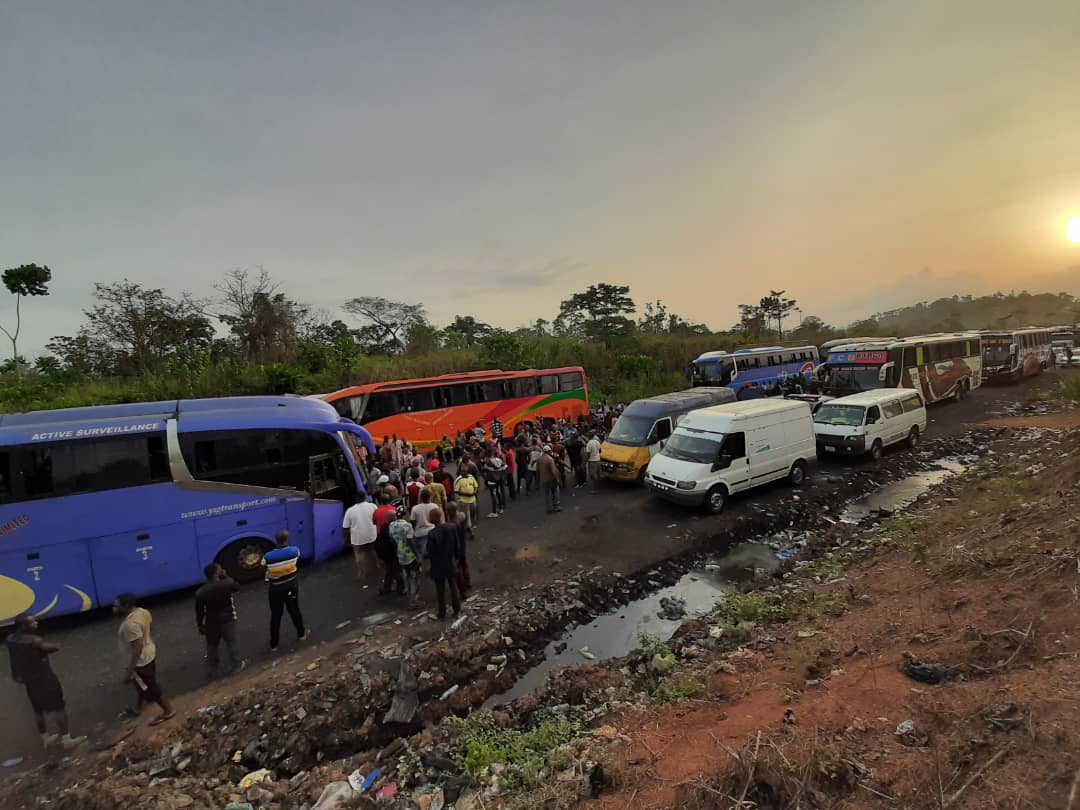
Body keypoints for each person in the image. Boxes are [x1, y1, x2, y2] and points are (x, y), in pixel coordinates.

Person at [6, 613, 85, 750]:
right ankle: (66, 740)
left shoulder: (11, 638)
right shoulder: (34, 640)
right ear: (24, 626)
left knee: (38, 709)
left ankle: (45, 738)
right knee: (59, 707)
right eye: (32, 623)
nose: (36, 623)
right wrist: (57, 645)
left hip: (29, 680)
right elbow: (50, 648)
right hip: (44, 678)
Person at [114, 593, 175, 725]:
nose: (114, 609)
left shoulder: (130, 625)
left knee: (150, 688)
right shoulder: (142, 612)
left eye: (116, 606)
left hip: (140, 663)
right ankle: (137, 708)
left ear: (125, 606)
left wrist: (129, 671)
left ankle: (168, 710)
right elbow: (149, 628)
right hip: (149, 653)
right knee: (142, 685)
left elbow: (137, 649)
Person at [194, 564, 246, 677]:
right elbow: (237, 587)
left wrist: (200, 625)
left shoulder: (201, 592)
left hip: (211, 621)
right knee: (231, 643)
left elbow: (200, 611)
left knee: (212, 646)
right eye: (220, 569)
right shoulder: (228, 583)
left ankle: (214, 669)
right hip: (228, 619)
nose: (222, 570)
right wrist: (226, 576)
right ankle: (237, 665)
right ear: (217, 573)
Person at [264, 530, 310, 651]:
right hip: (291, 587)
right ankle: (301, 634)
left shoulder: (268, 556)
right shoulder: (295, 551)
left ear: (276, 540)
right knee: (294, 610)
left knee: (276, 615)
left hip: (275, 589)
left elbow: (263, 565)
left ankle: (274, 644)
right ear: (286, 539)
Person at [424, 508, 461, 619]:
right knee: (453, 586)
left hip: (438, 565)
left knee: (440, 590)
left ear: (431, 519)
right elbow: (457, 545)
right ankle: (456, 609)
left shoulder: (432, 534)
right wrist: (457, 559)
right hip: (450, 562)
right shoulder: (451, 527)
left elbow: (430, 552)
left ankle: (442, 612)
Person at [343, 495, 378, 580]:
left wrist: (346, 539)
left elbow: (345, 527)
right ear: (365, 498)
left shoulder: (350, 511)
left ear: (356, 499)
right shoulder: (372, 506)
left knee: (359, 554)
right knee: (372, 550)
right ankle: (377, 566)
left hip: (358, 537)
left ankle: (361, 573)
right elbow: (377, 517)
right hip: (371, 534)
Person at [389, 514, 421, 607]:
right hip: (410, 555)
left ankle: (410, 597)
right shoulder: (408, 525)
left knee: (406, 576)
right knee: (415, 577)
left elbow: (391, 539)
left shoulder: (392, 525)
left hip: (400, 554)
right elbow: (410, 541)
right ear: (405, 515)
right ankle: (413, 601)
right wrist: (417, 555)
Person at [444, 501, 472, 596]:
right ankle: (468, 582)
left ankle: (463, 589)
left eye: (447, 510)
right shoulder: (462, 516)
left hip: (455, 546)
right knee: (464, 563)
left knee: (458, 567)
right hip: (462, 543)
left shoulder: (451, 523)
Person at [410, 488, 439, 560]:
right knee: (434, 553)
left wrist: (413, 532)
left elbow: (413, 522)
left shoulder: (415, 508)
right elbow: (437, 520)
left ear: (421, 497)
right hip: (432, 530)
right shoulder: (435, 506)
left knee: (420, 554)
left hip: (420, 533)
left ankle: (420, 566)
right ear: (430, 496)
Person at [454, 466, 480, 533]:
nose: (463, 473)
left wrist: (475, 491)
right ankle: (470, 529)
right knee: (467, 514)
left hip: (473, 499)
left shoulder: (471, 477)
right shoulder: (459, 480)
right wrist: (466, 494)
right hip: (464, 500)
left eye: (464, 471)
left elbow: (476, 485)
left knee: (473, 511)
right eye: (462, 471)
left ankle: (470, 524)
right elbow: (456, 491)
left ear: (467, 472)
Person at [537, 444, 562, 513]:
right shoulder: (550, 459)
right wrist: (557, 479)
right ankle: (556, 506)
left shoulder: (539, 459)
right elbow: (553, 471)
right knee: (556, 492)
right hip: (551, 479)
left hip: (544, 480)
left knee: (547, 494)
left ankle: (549, 508)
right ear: (548, 451)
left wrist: (538, 480)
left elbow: (537, 471)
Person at [482, 450, 507, 517]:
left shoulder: (487, 462)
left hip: (491, 480)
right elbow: (504, 467)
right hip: (499, 479)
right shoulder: (499, 460)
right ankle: (501, 508)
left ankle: (494, 512)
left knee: (493, 495)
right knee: (498, 493)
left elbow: (484, 470)